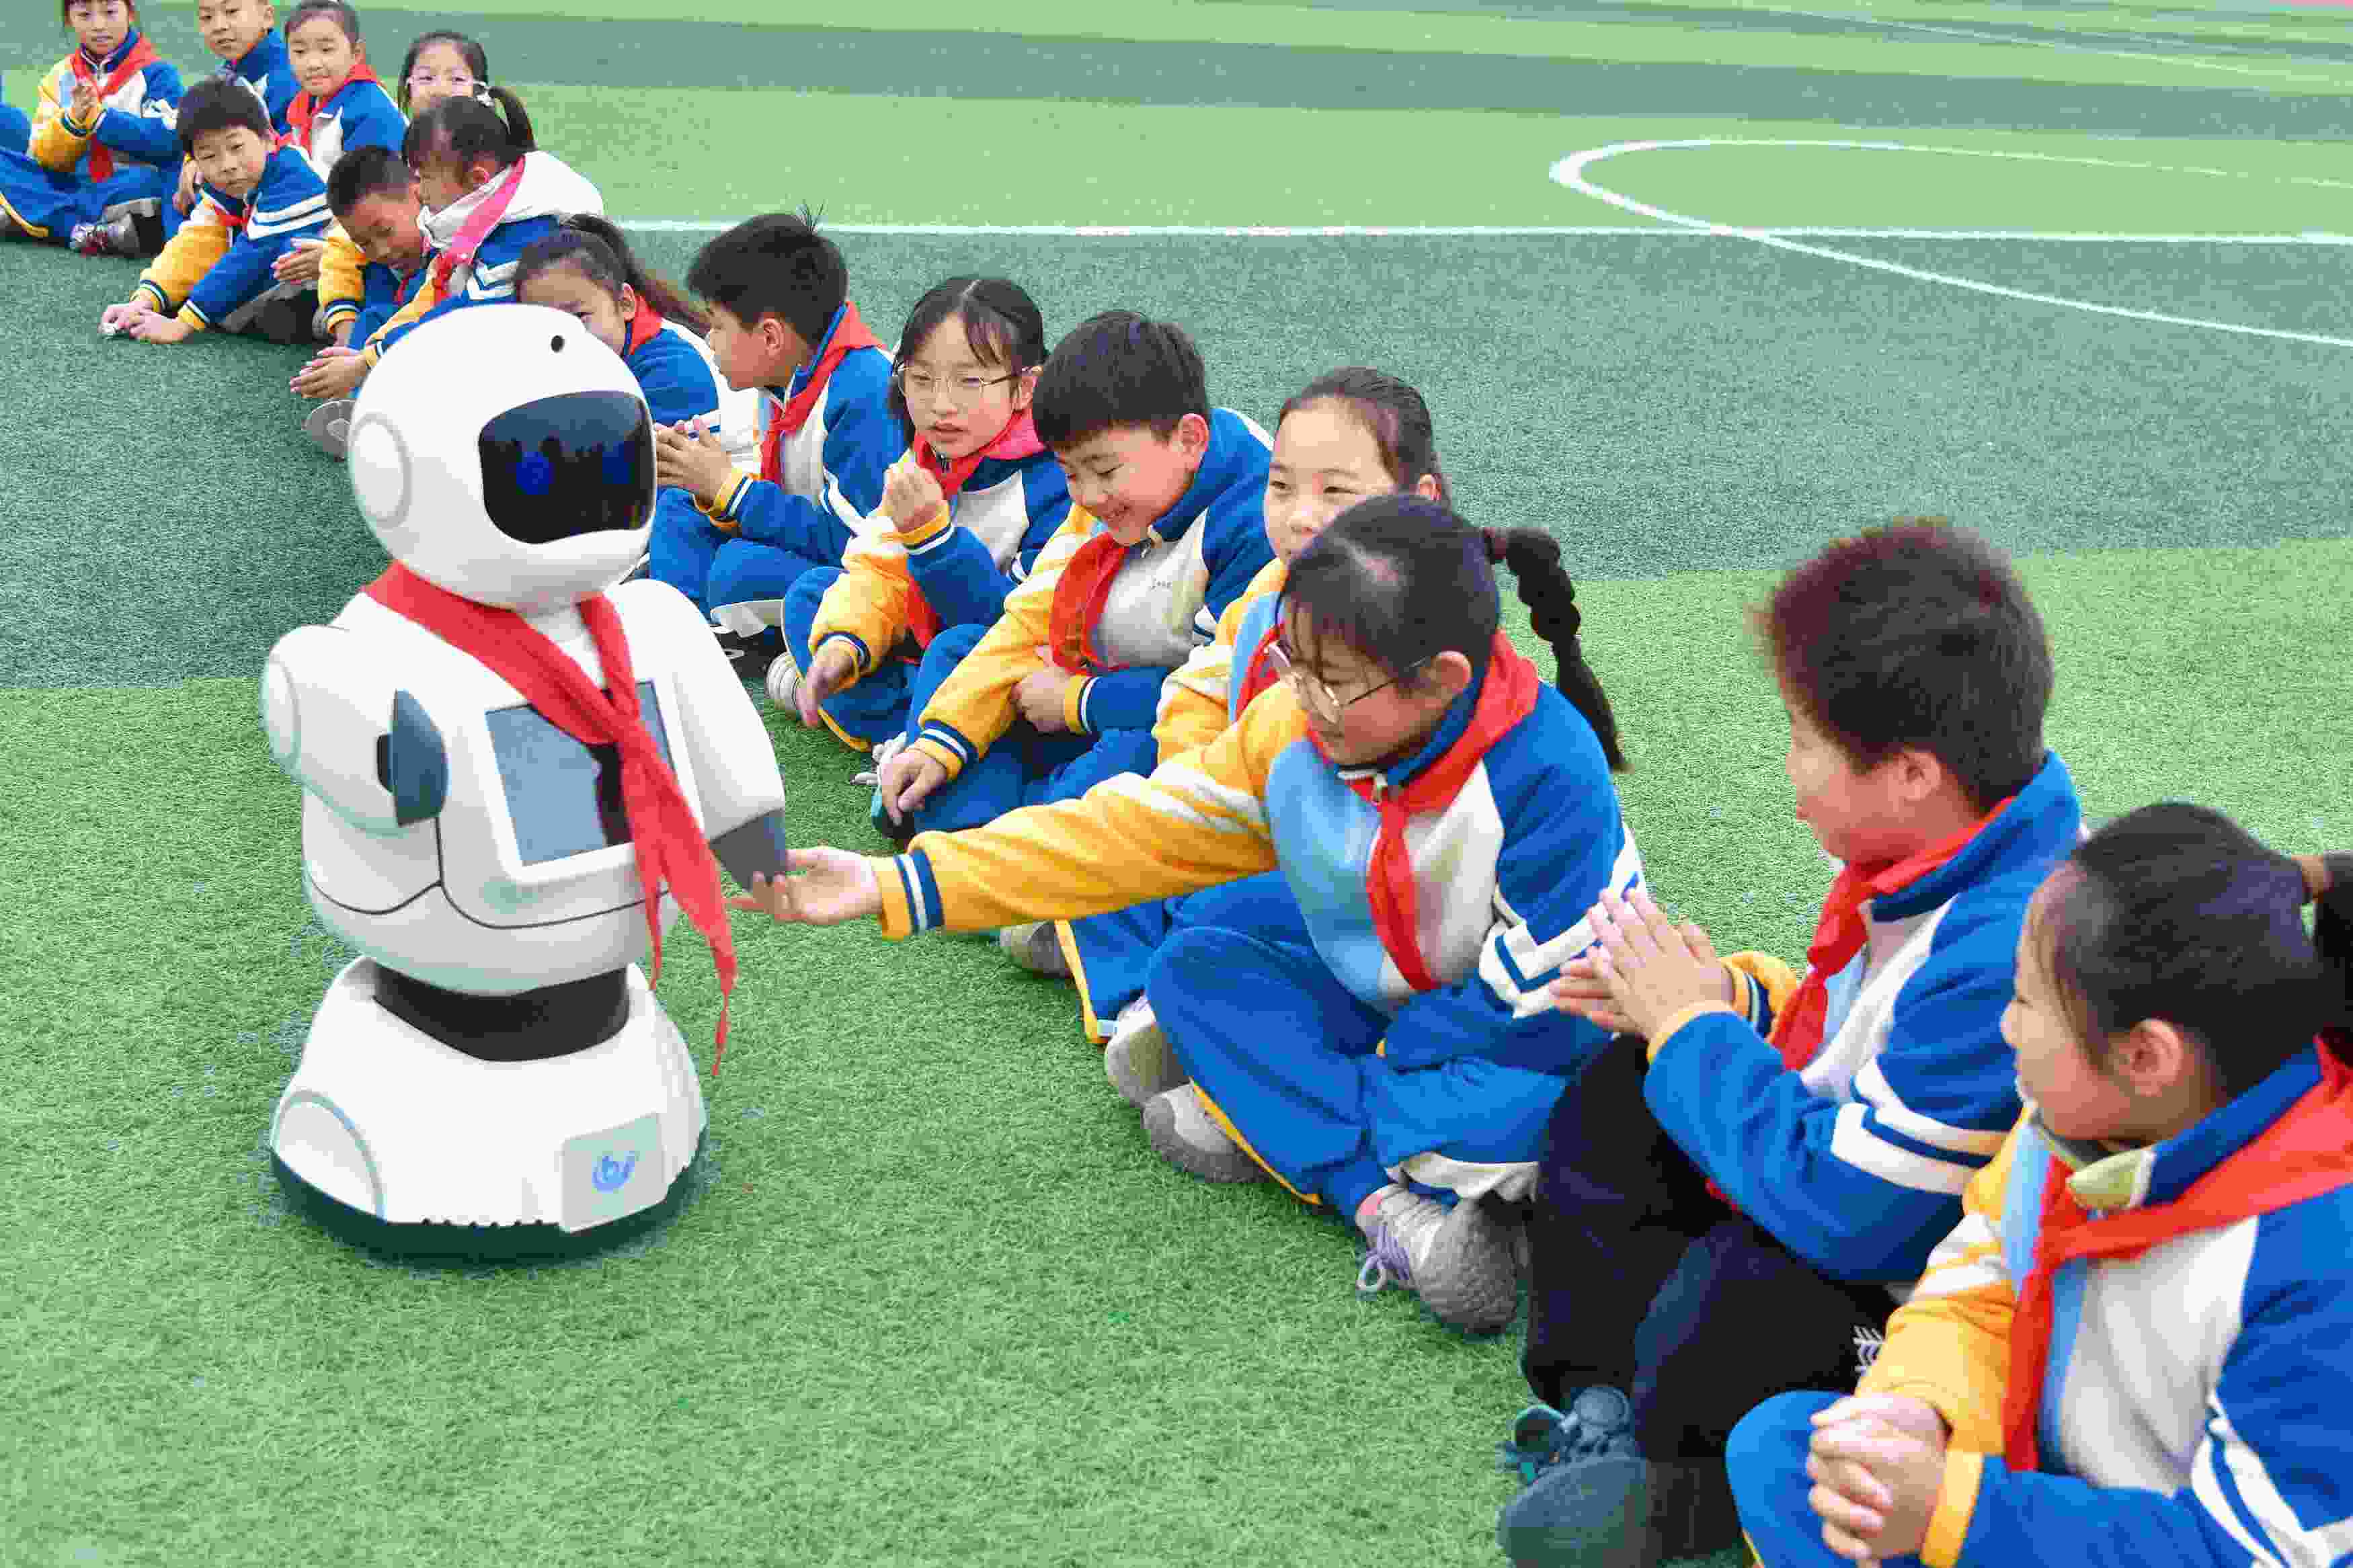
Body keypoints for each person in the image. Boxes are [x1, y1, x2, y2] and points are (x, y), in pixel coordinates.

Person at [731, 497, 1641, 1335]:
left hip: (1518, 1036)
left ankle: (1302, 1122)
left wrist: (1384, 1059)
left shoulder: (1548, 771)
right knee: (1189, 971)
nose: (1302, 699)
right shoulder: (1297, 726)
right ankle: (1393, 1206)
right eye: (1292, 666)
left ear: (1441, 680)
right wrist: (893, 884)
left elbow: (1547, 1008)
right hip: (1394, 997)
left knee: (1535, 1117)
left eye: (1333, 682)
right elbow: (1127, 833)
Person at [1496, 520, 2085, 1567]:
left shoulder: (2007, 942)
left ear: (1912, 773)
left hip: (1905, 1275)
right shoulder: (1939, 846)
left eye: (1805, 739)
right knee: (1617, 1096)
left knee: (1738, 1300)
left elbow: (1858, 1217)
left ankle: (1686, 1479)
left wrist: (1694, 1027)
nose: (1790, 766)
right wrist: (1718, 1000)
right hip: (1852, 1176)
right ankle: (1603, 1406)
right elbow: (1843, 1040)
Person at [1731, 813, 2353, 1568]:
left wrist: (1958, 1513)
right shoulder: (2080, 1113)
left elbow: (2248, 1552)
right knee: (1783, 1454)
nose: (2005, 1026)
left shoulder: (2316, 1260)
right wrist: (1921, 1405)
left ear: (2144, 1056)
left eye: (2026, 1003)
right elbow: (1988, 1263)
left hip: (2137, 1540)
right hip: (2049, 1499)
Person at [1035, 366, 1448, 1064]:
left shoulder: (1427, 626)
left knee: (1215, 911)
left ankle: (1178, 1008)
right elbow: (1197, 691)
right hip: (1259, 824)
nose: (1300, 515)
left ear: (1419, 499)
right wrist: (1189, 794)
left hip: (1364, 880)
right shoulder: (1269, 591)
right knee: (1117, 813)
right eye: (1281, 486)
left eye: (1336, 492)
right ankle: (1138, 992)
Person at [865, 311, 1274, 872]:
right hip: (1078, 690)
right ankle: (976, 834)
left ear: (1189, 440)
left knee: (1137, 751)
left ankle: (1013, 852)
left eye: (1103, 471)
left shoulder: (1253, 524)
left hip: (1152, 718)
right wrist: (937, 745)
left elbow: (1221, 699)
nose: (1088, 495)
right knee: (960, 651)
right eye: (1071, 474)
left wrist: (1079, 701)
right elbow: (1027, 618)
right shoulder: (1108, 500)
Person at [780, 276, 1069, 750]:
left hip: (1001, 660)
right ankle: (910, 726)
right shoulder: (925, 456)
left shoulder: (1056, 480)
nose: (941, 405)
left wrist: (937, 544)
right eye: (921, 379)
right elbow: (879, 568)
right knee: (813, 598)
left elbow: (1017, 628)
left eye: (970, 381)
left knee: (957, 650)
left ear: (1024, 388)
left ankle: (910, 729)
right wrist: (842, 647)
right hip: (929, 647)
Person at [645, 210, 899, 667]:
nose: (710, 339)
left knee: (737, 570)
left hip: (867, 572)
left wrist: (731, 490)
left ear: (770, 336)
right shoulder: (784, 376)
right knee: (681, 507)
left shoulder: (864, 392)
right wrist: (707, 483)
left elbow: (852, 543)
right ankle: (687, 629)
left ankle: (712, 631)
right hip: (810, 538)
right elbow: (785, 498)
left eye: (717, 325)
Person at [288, 34, 523, 419]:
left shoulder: (506, 206)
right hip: (430, 290)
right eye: (427, 77)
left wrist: (365, 361)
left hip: (514, 339)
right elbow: (353, 246)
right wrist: (349, 335)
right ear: (407, 86)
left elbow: (453, 308)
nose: (440, 89)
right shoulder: (419, 169)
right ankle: (359, 401)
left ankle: (376, 402)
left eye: (456, 78)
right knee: (380, 305)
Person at [336, 93, 600, 369]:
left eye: (425, 178)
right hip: (496, 333)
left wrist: (370, 361)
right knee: (378, 319)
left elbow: (462, 319)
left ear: (477, 179)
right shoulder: (499, 201)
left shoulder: (525, 231)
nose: (419, 192)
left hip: (546, 359)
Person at [96, 73, 328, 344]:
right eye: (209, 156)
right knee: (213, 273)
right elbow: (196, 243)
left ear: (267, 138)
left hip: (356, 269)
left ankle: (331, 313)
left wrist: (182, 325)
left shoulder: (293, 176)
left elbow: (249, 259)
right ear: (194, 161)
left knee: (292, 252)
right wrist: (143, 300)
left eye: (236, 147)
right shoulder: (227, 185)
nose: (227, 165)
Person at [514, 214, 735, 434]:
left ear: (624, 303)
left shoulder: (675, 374)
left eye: (579, 317)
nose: (561, 338)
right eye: (543, 324)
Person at [0, 1, 182, 256]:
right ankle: (85, 230)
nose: (98, 25)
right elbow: (43, 158)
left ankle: (31, 217)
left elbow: (168, 142)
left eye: (110, 12)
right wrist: (72, 123)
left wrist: (103, 120)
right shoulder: (60, 76)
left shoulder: (158, 74)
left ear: (130, 12)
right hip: (73, 184)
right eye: (85, 15)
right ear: (69, 19)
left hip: (127, 185)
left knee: (153, 183)